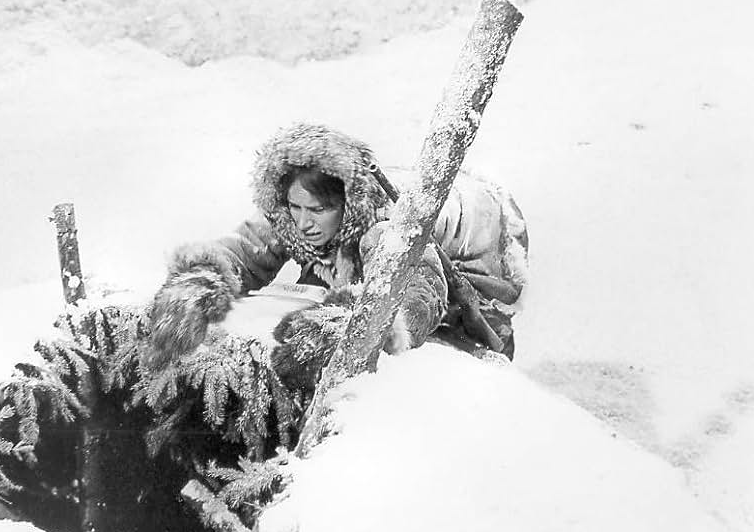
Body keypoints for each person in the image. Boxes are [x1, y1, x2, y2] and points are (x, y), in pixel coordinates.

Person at [146, 122, 528, 383]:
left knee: (452, 348)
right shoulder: (292, 212)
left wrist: (359, 325)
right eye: (295, 207)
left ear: (347, 204)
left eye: (318, 210)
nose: (303, 223)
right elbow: (245, 250)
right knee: (324, 286)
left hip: (479, 245)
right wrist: (202, 280)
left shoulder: (385, 226)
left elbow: (418, 290)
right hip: (390, 227)